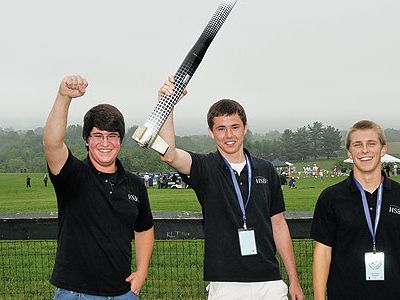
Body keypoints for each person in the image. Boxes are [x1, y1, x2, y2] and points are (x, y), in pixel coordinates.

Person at [158, 76, 304, 300]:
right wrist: (168, 104)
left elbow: (279, 225)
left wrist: (293, 280)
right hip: (226, 284)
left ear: (245, 128)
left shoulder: (265, 169)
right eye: (221, 129)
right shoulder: (205, 167)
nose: (229, 135)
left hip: (269, 281)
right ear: (211, 132)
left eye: (235, 127)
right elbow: (169, 154)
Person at [43, 75, 154, 299]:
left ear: (120, 141)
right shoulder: (72, 175)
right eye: (98, 136)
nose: (105, 143)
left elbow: (144, 229)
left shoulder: (135, 185)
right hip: (76, 293)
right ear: (87, 139)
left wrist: (141, 272)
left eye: (112, 136)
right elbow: (52, 143)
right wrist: (64, 97)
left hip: (123, 293)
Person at [311, 120, 400, 300]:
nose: (365, 150)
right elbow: (323, 252)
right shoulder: (331, 197)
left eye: (371, 144)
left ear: (383, 149)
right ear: (349, 153)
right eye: (357, 145)